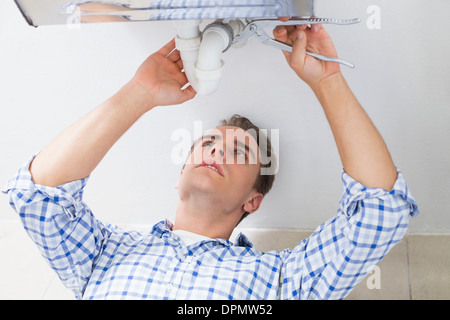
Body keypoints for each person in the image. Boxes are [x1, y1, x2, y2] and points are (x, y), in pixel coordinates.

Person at [3, 22, 418, 300]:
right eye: (208, 144)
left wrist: (329, 81)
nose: (219, 150)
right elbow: (37, 196)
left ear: (252, 201)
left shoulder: (279, 282)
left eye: (240, 153)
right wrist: (138, 94)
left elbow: (380, 214)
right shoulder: (103, 253)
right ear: (181, 171)